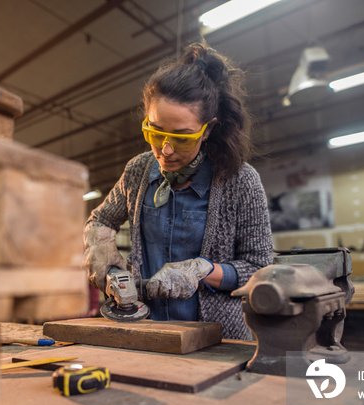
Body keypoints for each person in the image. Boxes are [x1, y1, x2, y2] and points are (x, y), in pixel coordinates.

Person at [83, 42, 273, 339]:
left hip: (218, 341)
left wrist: (201, 270)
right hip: (145, 330)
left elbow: (260, 268)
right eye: (155, 133)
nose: (165, 150)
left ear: (207, 129)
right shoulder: (138, 170)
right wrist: (101, 250)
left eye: (182, 138)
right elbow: (100, 220)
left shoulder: (240, 181)